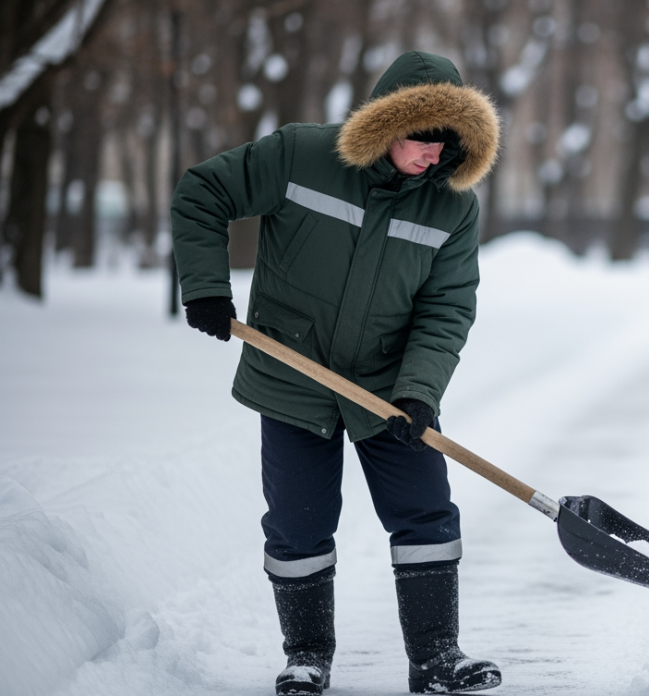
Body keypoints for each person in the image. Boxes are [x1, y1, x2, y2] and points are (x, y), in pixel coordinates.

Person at [171, 51, 501, 695]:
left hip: (386, 385)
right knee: (299, 522)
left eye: (448, 143)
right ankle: (307, 657)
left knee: (427, 514)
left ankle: (436, 657)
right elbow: (203, 191)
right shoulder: (301, 156)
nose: (434, 156)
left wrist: (419, 392)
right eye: (422, 138)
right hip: (291, 371)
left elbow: (447, 307)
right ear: (385, 122)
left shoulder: (452, 209)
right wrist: (206, 288)